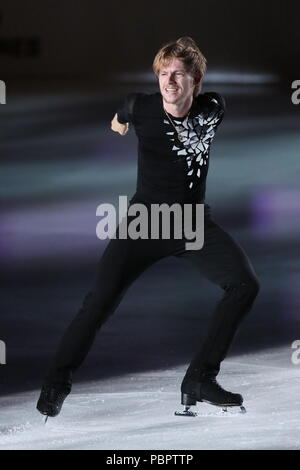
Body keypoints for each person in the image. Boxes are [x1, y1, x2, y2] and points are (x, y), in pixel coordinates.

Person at [37, 36, 260, 419]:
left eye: (178, 74)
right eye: (162, 74)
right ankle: (55, 385)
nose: (169, 82)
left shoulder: (214, 108)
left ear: (197, 80)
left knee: (245, 285)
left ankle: (199, 379)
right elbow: (123, 110)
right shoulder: (141, 107)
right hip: (145, 222)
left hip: (191, 223)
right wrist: (119, 123)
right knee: (99, 303)